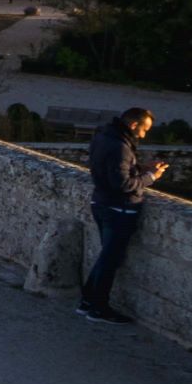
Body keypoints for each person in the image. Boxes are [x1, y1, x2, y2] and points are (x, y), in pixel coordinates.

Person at [79, 108, 168, 324]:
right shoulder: (120, 146)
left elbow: (113, 169)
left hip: (101, 203)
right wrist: (151, 177)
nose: (144, 135)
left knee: (106, 257)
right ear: (133, 125)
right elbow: (123, 184)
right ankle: (98, 309)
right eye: (144, 130)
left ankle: (88, 301)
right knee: (110, 260)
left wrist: (139, 168)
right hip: (118, 209)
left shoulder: (104, 137)